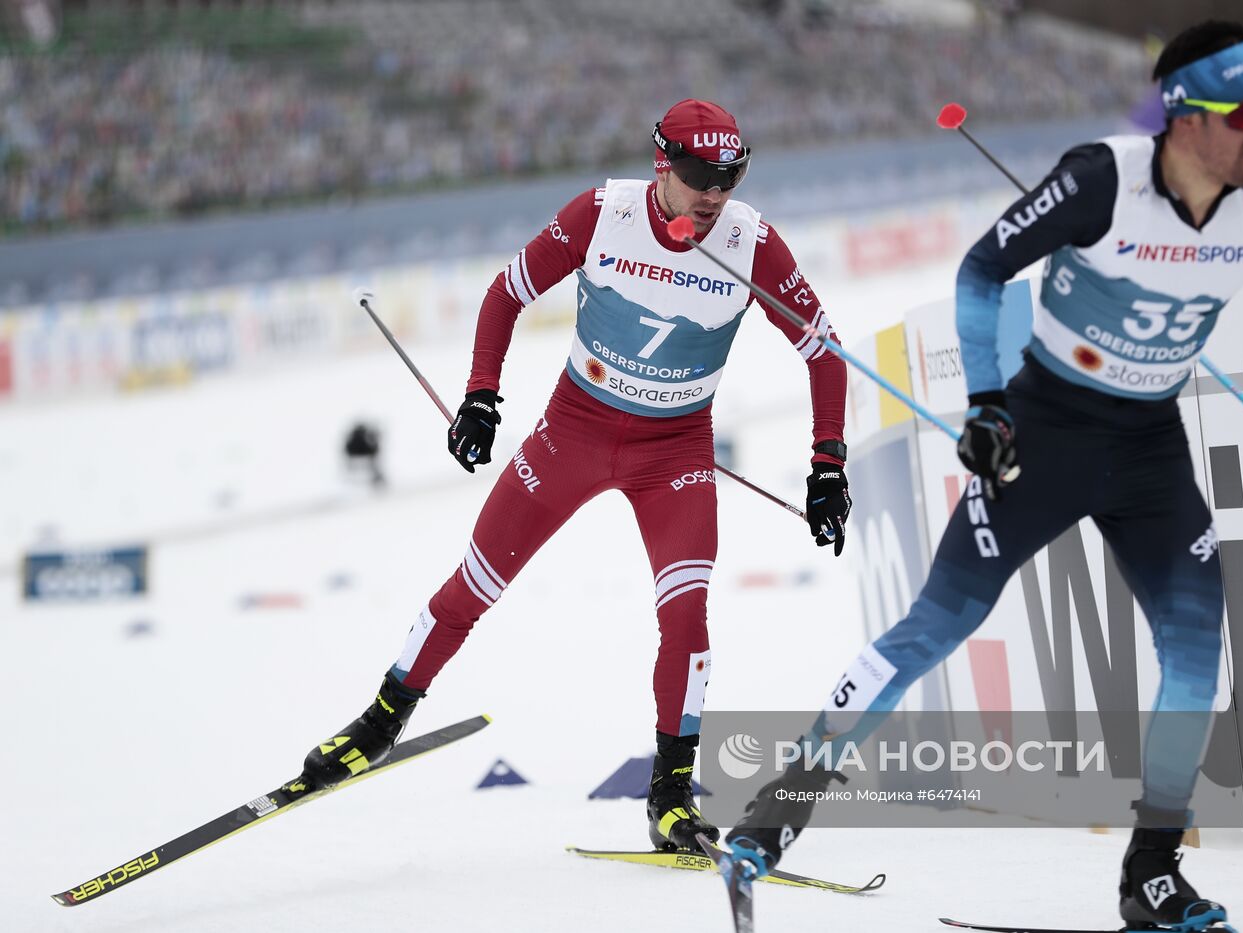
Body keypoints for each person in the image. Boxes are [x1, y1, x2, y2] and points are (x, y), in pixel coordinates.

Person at [724, 21, 1243, 933]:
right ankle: (780, 808)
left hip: (1150, 448)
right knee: (941, 623)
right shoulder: (1102, 180)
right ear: (1184, 118)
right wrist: (987, 404)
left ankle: (1152, 872)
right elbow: (981, 269)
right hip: (1046, 430)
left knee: (1200, 651)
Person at [294, 99, 851, 854]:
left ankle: (671, 799)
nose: (716, 194)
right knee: (473, 586)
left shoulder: (750, 242)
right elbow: (505, 294)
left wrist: (827, 466)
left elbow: (822, 350)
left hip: (675, 455)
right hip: (574, 433)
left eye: (732, 176)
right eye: (699, 177)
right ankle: (379, 724)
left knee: (686, 617)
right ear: (663, 166)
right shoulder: (602, 213)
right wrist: (481, 399)